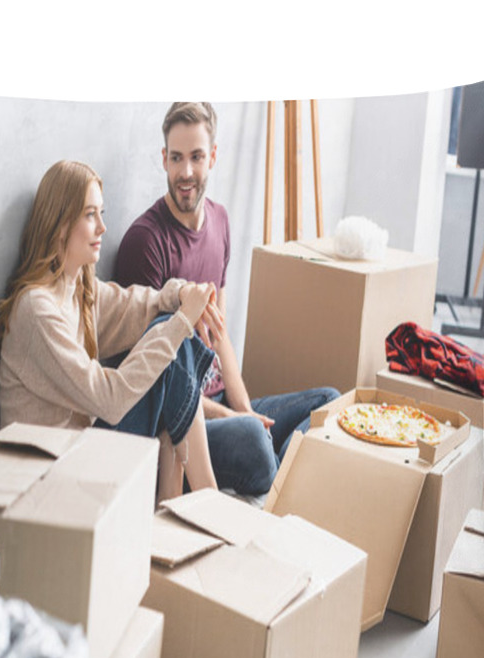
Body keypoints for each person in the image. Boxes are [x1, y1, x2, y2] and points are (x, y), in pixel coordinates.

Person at [115, 102, 340, 496]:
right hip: (182, 422)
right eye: (176, 158)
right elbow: (146, 383)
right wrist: (238, 419)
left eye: (197, 157)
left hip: (222, 403)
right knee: (255, 439)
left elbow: (221, 337)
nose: (186, 173)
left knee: (328, 404)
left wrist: (247, 408)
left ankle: (277, 479)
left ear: (213, 156)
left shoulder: (219, 221)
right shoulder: (146, 242)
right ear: (163, 159)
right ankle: (284, 481)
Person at [0, 160, 225, 500]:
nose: (102, 227)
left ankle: (185, 502)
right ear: (59, 225)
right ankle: (203, 500)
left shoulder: (79, 288)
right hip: (49, 480)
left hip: (79, 455)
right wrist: (183, 322)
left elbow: (143, 303)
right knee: (172, 341)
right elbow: (109, 401)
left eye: (102, 212)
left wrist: (182, 294)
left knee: (172, 335)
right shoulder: (36, 311)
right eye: (89, 214)